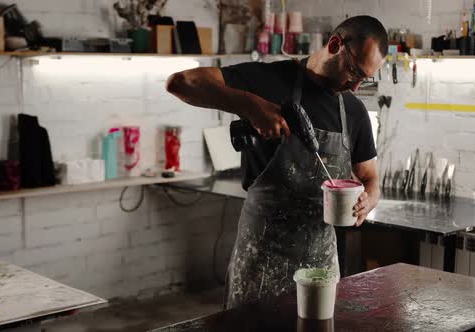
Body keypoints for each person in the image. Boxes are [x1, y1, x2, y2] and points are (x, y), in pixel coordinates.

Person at [166, 15, 387, 309]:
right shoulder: (269, 79)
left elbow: (370, 176)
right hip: (261, 260)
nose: (356, 86)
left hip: (319, 267)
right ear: (335, 44)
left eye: (364, 79)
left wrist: (368, 199)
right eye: (354, 72)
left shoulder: (354, 112)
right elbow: (180, 83)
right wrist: (251, 107)